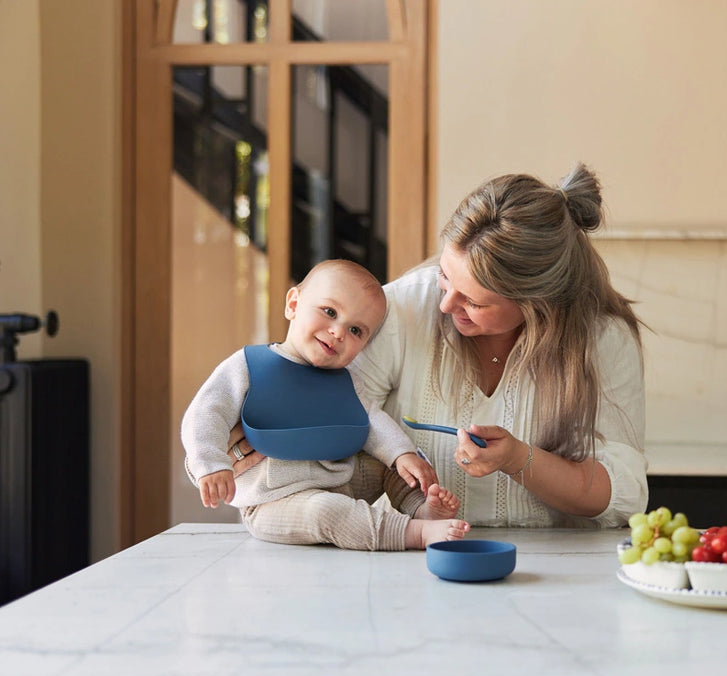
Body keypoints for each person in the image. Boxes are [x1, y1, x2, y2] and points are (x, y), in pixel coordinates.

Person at [230, 163, 649, 528]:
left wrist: (519, 459)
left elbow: (625, 495)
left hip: (560, 570)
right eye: (445, 278)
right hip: (415, 559)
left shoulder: (603, 338)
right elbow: (336, 412)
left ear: (539, 305)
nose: (446, 305)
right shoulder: (403, 309)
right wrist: (260, 432)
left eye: (475, 301)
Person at [181, 259, 470, 550]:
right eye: (329, 312)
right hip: (273, 502)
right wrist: (211, 464)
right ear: (293, 304)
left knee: (388, 465)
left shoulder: (345, 381)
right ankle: (413, 533)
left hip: (339, 482)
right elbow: (206, 412)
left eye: (356, 330)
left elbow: (371, 420)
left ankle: (421, 509)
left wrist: (402, 455)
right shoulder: (247, 366)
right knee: (327, 511)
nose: (338, 332)